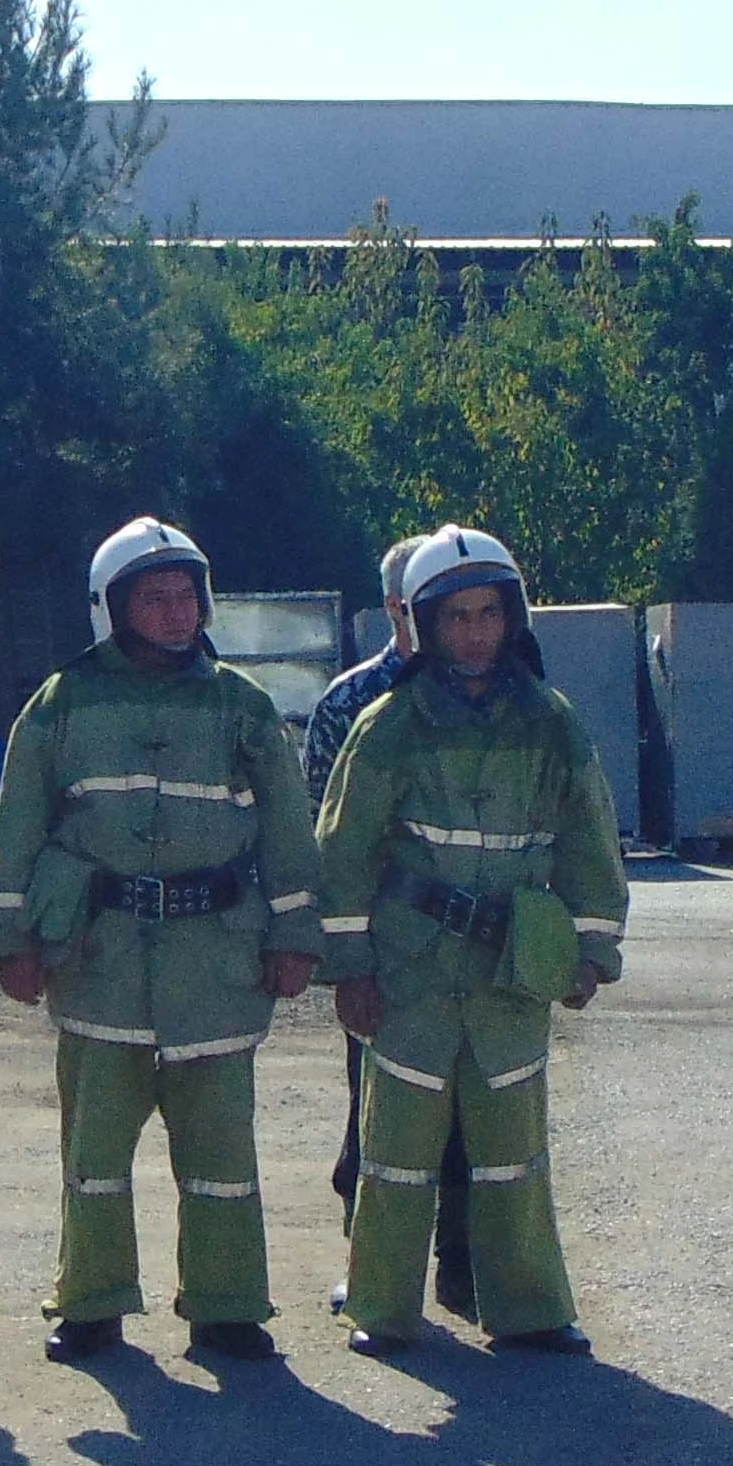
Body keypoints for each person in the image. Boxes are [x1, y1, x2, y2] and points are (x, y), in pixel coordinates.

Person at [0, 517, 323, 1369]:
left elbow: (287, 829)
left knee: (221, 1150)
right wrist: (12, 938)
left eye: (187, 597)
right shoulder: (62, 703)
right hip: (98, 956)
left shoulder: (242, 708)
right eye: (155, 598)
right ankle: (91, 1304)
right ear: (113, 607)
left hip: (216, 959)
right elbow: (20, 823)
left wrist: (296, 934)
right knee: (94, 1150)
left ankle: (228, 1307)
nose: (177, 614)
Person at [316, 526, 628, 1356]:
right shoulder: (386, 726)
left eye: (490, 612)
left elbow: (591, 838)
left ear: (514, 615)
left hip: (511, 972)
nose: (477, 632)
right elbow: (342, 852)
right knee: (396, 1149)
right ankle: (382, 1307)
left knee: (511, 1149)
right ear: (424, 622)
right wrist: (348, 968)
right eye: (457, 617)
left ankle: (527, 1309)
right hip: (411, 969)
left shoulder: (552, 723)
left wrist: (593, 947)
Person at [308, 537, 467, 1316]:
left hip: (473, 949)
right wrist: (347, 959)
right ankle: (368, 1265)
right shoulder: (351, 703)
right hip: (384, 951)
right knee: (371, 1115)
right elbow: (327, 837)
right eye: (417, 606)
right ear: (395, 610)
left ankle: (468, 1272)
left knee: (477, 1116)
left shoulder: (494, 695)